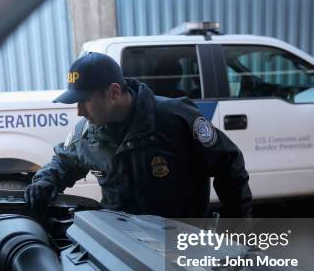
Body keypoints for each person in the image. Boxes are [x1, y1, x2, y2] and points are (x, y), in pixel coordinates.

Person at [24, 52, 252, 218]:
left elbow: (229, 163)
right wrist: (44, 181)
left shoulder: (175, 118)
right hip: (125, 251)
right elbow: (62, 163)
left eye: (84, 101)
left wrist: (235, 232)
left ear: (113, 92)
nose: (80, 112)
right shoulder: (86, 131)